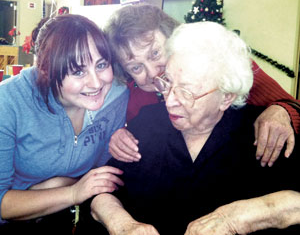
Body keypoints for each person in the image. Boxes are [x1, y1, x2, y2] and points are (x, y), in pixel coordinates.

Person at [90, 21, 300, 235]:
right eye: (168, 83)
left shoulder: (263, 133)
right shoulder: (147, 121)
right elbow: (102, 192)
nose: (170, 101)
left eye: (187, 92)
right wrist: (122, 224)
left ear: (226, 97)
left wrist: (235, 218)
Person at [105, 3, 299, 168]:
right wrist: (120, 136)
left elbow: (289, 105)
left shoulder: (221, 66)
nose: (153, 73)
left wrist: (281, 110)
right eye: (136, 67)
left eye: (155, 54)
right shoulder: (136, 99)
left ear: (172, 38)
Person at [0, 14, 128, 234]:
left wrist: (63, 183)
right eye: (78, 71)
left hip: (68, 217)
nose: (96, 83)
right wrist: (72, 192)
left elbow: (100, 175)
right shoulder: (8, 102)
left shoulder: (116, 97)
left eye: (101, 64)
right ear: (46, 71)